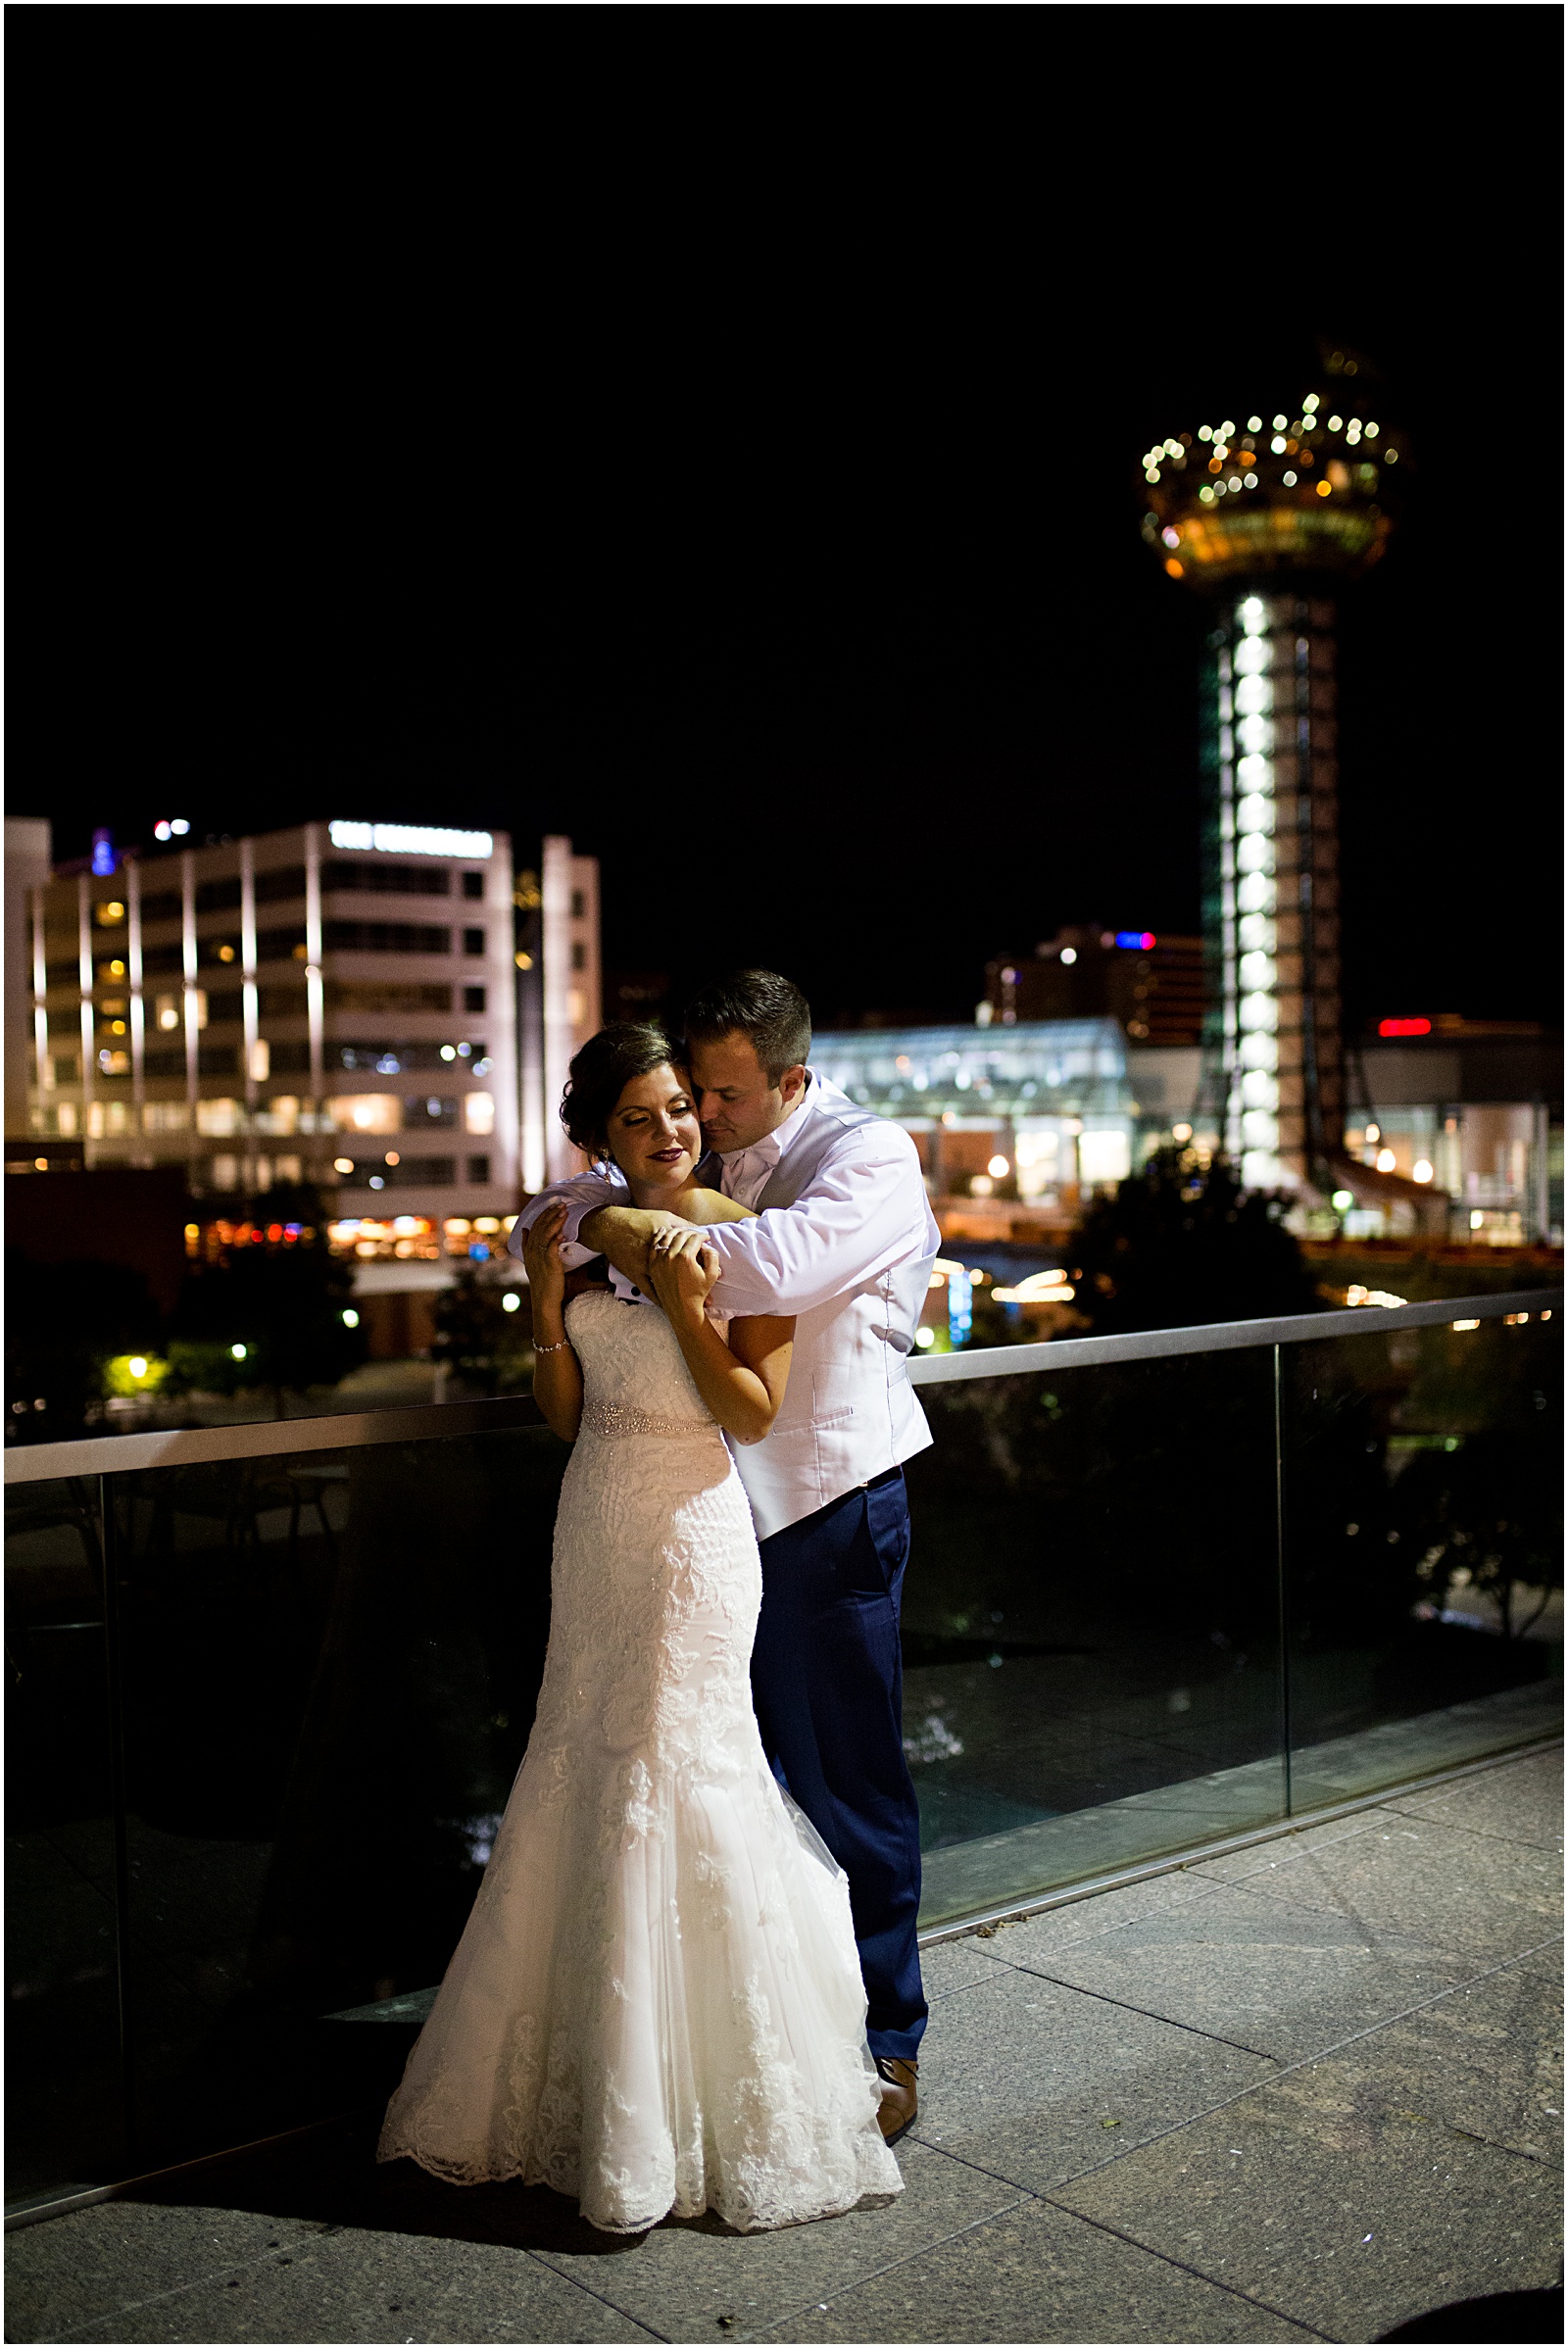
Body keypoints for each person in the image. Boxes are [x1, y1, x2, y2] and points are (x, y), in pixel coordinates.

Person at [378, 1024, 902, 2235]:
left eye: (679, 1107)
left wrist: (686, 1298)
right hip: (597, 1514)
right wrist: (540, 1307)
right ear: (600, 1135)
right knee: (583, 1756)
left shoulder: (744, 1238)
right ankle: (588, 2080)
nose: (668, 1129)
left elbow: (753, 1415)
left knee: (684, 1769)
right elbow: (564, 1411)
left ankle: (705, 2096)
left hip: (697, 1522)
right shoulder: (575, 1223)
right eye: (638, 1116)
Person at [511, 971, 940, 2140]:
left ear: (791, 1081)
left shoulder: (868, 1156)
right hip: (691, 1522)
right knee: (723, 1790)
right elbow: (543, 1213)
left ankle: (884, 2036)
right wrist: (597, 1215)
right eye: (686, 1089)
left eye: (722, 1093)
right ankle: (724, 2029)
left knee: (843, 1782)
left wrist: (612, 1221)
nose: (700, 1112)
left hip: (823, 1500)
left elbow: (773, 1269)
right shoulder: (695, 1159)